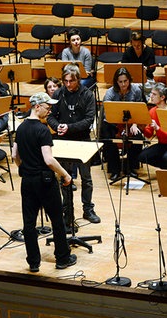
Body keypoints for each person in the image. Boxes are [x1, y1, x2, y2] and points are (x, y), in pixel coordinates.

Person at [12, 92, 77, 272]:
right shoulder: (42, 130)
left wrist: (24, 167)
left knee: (29, 223)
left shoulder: (21, 128)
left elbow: (14, 155)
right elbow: (48, 160)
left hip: (28, 181)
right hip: (45, 181)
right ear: (36, 106)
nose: (50, 111)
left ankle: (33, 262)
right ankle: (62, 258)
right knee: (57, 220)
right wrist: (65, 174)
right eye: (47, 107)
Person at [46, 64, 101, 224]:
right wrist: (57, 126)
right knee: (65, 177)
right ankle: (67, 211)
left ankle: (88, 209)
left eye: (71, 81)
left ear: (79, 79)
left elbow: (89, 119)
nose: (68, 84)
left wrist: (70, 127)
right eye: (65, 81)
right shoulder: (58, 93)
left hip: (82, 140)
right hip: (64, 140)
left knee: (86, 178)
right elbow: (51, 116)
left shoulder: (87, 94)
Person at [100, 67, 144, 181]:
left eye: (125, 81)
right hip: (113, 122)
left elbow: (140, 109)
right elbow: (107, 114)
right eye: (120, 82)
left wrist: (134, 124)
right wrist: (118, 126)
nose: (123, 84)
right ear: (116, 82)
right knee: (108, 138)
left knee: (138, 137)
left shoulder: (136, 90)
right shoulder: (110, 92)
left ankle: (131, 167)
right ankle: (114, 169)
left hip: (132, 122)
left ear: (129, 80)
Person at [138, 83, 167, 171]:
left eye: (154, 94)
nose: (151, 96)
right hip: (162, 144)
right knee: (142, 156)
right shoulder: (152, 111)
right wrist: (142, 128)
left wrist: (158, 128)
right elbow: (149, 134)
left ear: (162, 97)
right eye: (151, 93)